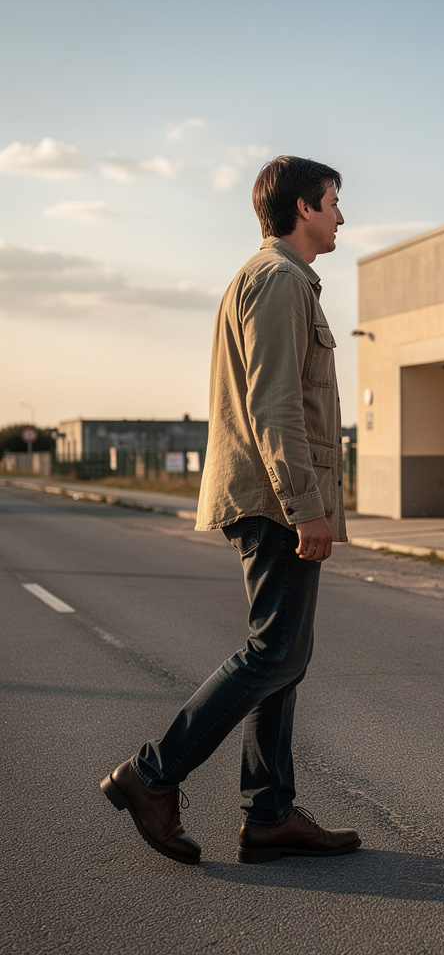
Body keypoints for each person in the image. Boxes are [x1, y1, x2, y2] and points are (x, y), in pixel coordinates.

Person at [101, 156, 360, 865]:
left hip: (271, 495)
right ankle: (151, 774)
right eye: (334, 202)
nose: (342, 216)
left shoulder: (277, 278)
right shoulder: (278, 281)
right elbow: (275, 406)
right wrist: (309, 508)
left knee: (286, 657)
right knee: (274, 651)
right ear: (304, 208)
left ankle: (271, 814)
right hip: (276, 500)